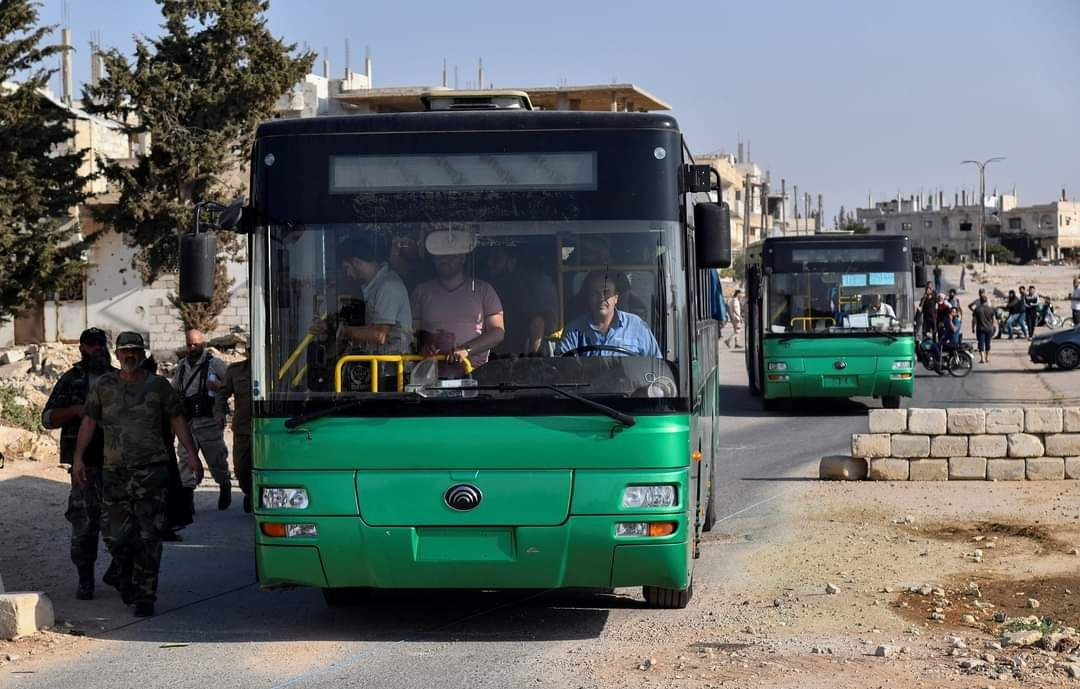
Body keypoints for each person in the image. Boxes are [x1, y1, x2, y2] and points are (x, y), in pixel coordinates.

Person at [72, 332, 203, 617]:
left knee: (149, 535)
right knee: (115, 536)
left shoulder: (158, 387)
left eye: (135, 350)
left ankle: (145, 595)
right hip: (114, 473)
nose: (130, 355)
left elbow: (177, 420)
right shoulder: (103, 386)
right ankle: (123, 573)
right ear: (117, 355)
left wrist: (192, 454)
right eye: (124, 351)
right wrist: (79, 457)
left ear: (142, 354)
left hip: (151, 473)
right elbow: (89, 422)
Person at [41, 327, 119, 600]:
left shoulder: (120, 379)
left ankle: (118, 572)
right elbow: (47, 418)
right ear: (82, 348)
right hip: (84, 465)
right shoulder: (71, 380)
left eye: (102, 344)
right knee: (84, 525)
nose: (98, 348)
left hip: (117, 464)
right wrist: (74, 411)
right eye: (92, 344)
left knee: (123, 525)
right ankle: (85, 581)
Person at [411, 230, 505, 372]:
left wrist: (466, 350)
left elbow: (497, 332)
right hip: (431, 374)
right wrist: (422, 347)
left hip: (474, 374)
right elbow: (411, 333)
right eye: (439, 255)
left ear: (462, 258)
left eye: (450, 254)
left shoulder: (483, 290)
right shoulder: (421, 292)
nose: (444, 259)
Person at [313, 235, 412, 355]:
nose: (347, 274)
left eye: (347, 268)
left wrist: (340, 330)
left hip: (393, 368)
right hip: (380, 365)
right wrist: (329, 325)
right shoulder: (373, 287)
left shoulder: (388, 286)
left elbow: (379, 335)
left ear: (357, 262)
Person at [173, 329, 231, 509]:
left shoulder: (216, 364)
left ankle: (224, 485)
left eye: (195, 344)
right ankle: (187, 500)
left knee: (216, 460)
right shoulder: (181, 366)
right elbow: (175, 391)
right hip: (187, 422)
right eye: (189, 344)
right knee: (184, 460)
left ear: (203, 344)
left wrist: (219, 386)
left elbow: (231, 387)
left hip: (208, 421)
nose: (192, 347)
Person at [141, 354, 192, 542]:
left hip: (160, 446)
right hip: (158, 447)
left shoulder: (158, 387)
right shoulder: (158, 386)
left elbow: (175, 418)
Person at [557, 271, 661, 357]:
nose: (601, 298)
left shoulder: (638, 327)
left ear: (616, 298)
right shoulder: (573, 331)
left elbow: (656, 367)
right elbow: (563, 369)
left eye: (606, 292)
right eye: (595, 293)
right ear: (589, 298)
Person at [481, 243, 558, 356]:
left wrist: (531, 359)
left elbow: (538, 323)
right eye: (489, 258)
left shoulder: (527, 287)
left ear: (512, 262)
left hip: (516, 355)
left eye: (497, 259)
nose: (490, 263)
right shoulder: (485, 286)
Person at [214, 349, 253, 513]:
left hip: (270, 427)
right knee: (241, 468)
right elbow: (222, 394)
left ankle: (258, 497)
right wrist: (219, 413)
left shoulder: (278, 368)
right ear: (247, 351)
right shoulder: (235, 371)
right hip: (244, 428)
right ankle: (249, 492)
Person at [972, 294, 997, 363]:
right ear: (986, 301)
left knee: (981, 343)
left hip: (980, 329)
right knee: (988, 343)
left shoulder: (977, 309)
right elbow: (994, 320)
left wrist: (973, 328)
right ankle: (987, 357)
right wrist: (993, 327)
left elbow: (974, 320)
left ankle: (982, 358)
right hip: (989, 329)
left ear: (980, 301)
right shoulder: (991, 309)